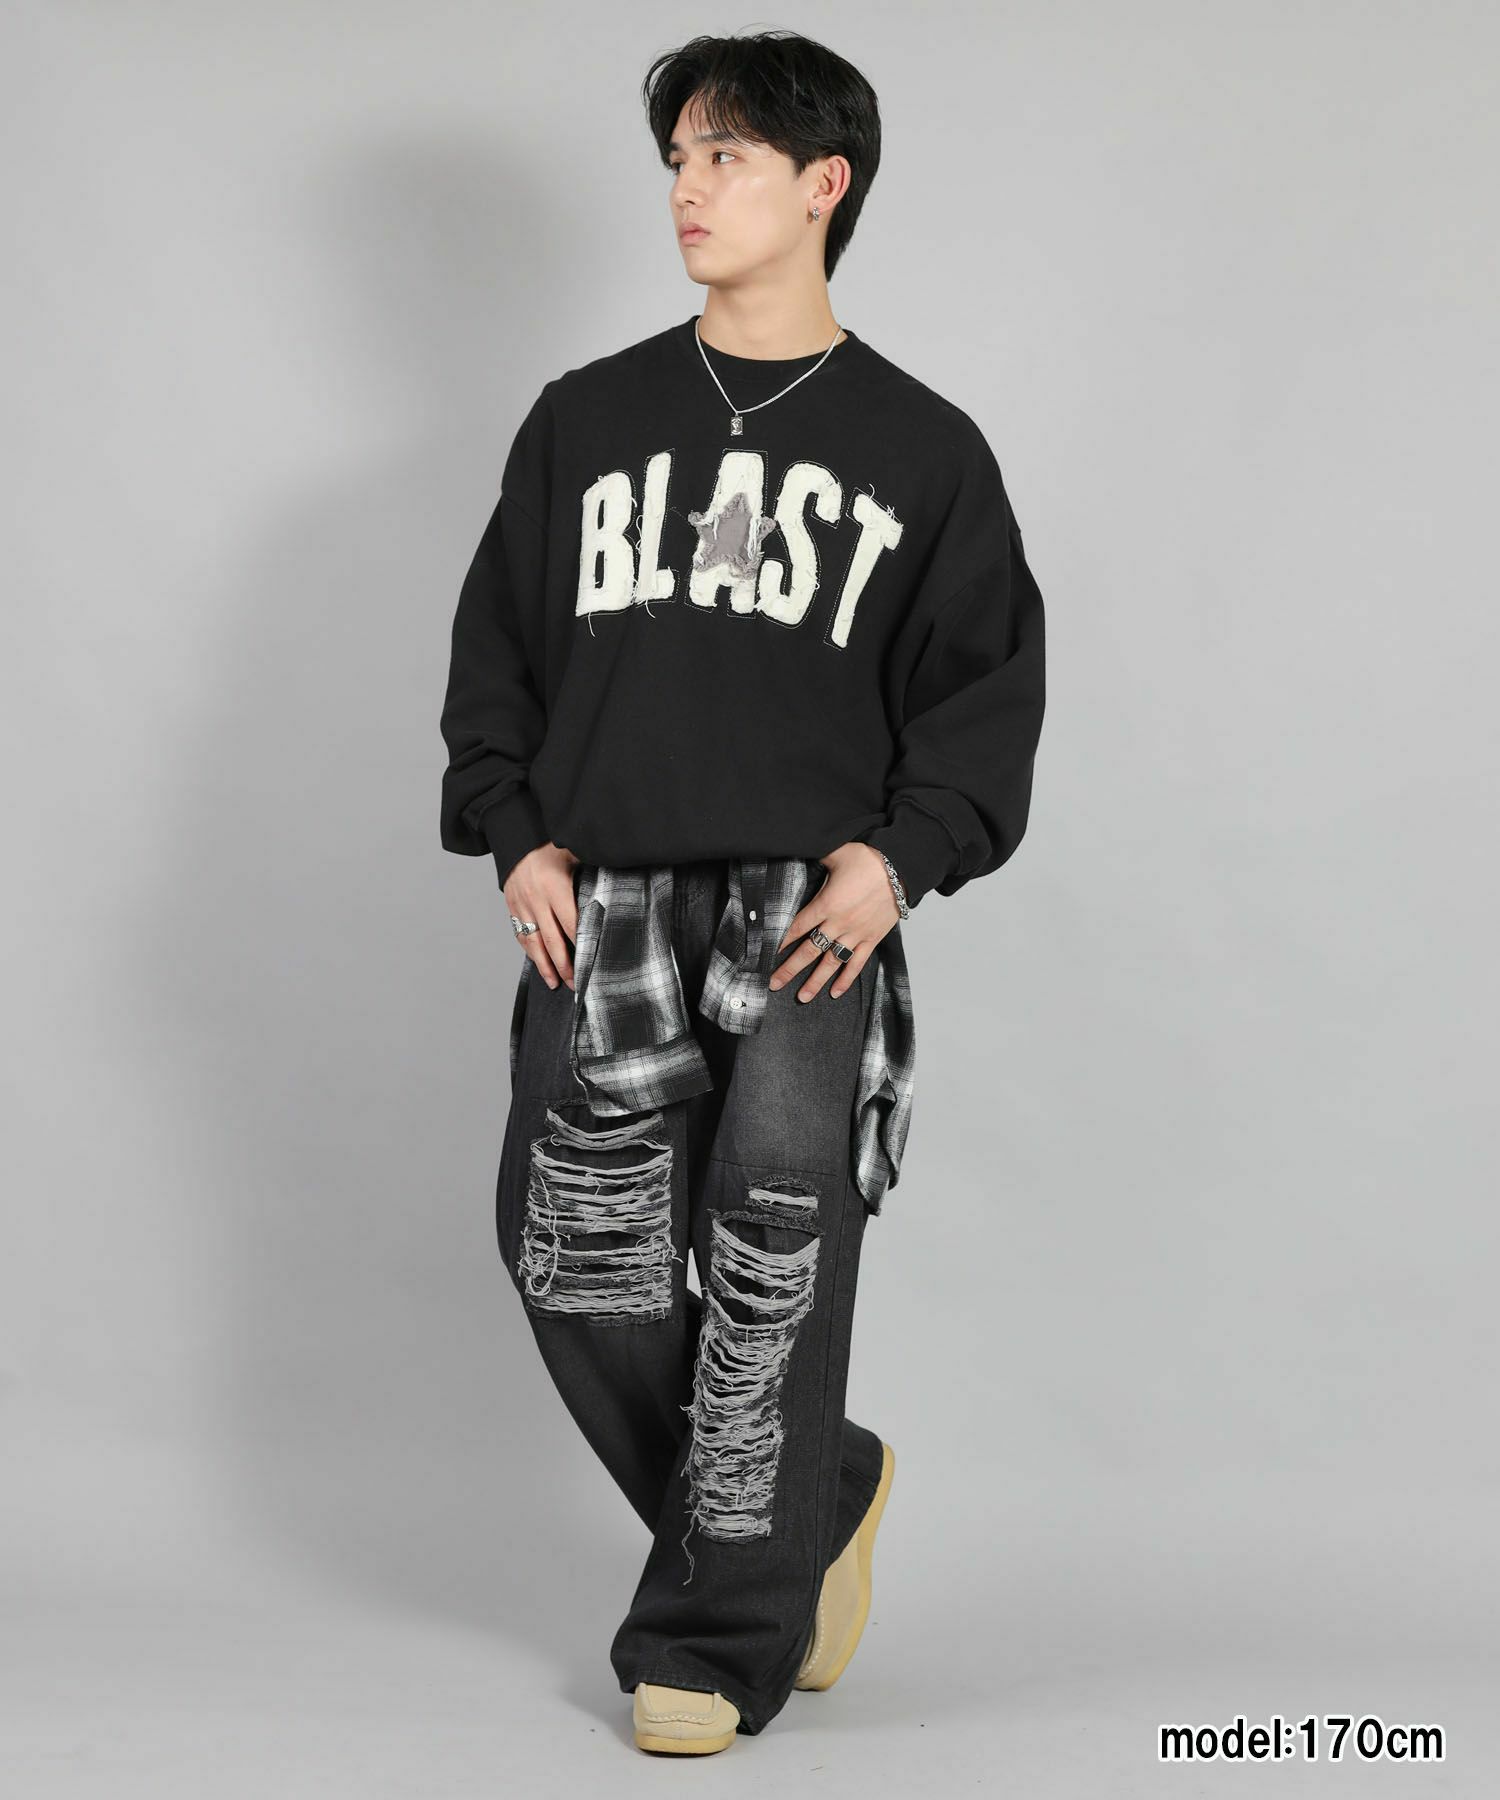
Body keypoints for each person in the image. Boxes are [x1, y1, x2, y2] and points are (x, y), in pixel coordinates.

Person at [438, 28, 1046, 1756]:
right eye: (678, 160)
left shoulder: (924, 449)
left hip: (805, 915)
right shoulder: (587, 420)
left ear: (822, 184)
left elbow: (986, 689)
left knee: (771, 1260)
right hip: (607, 900)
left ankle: (711, 1637)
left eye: (726, 158)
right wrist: (514, 831)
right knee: (578, 1258)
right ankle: (817, 1495)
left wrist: (901, 859)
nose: (688, 191)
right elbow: (496, 652)